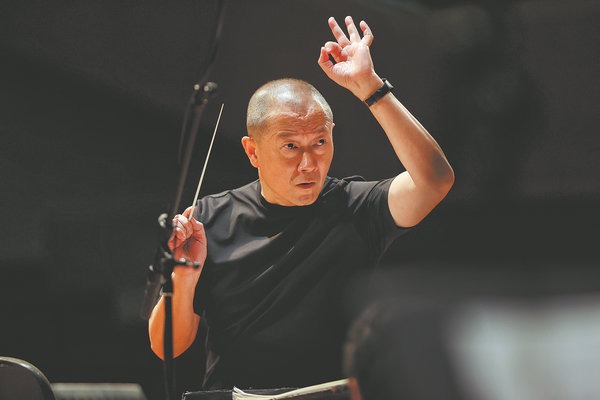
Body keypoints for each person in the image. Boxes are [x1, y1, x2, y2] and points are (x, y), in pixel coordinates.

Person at [149, 16, 454, 390]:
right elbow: (166, 348)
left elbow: (435, 180)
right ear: (253, 151)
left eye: (320, 143)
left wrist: (371, 88)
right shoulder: (209, 220)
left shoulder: (356, 207)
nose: (309, 164)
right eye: (291, 146)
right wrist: (183, 276)